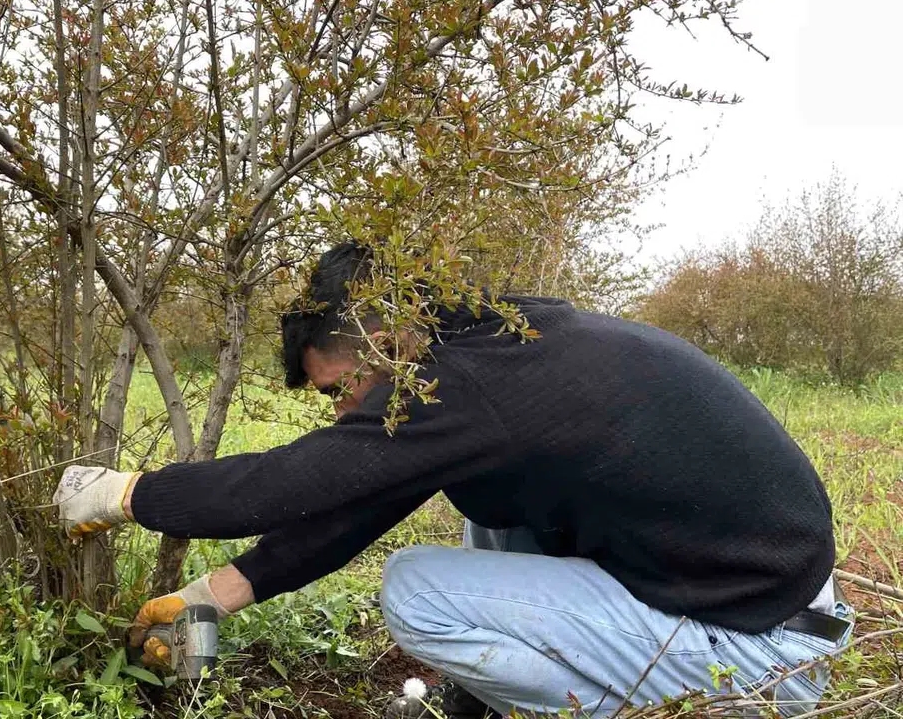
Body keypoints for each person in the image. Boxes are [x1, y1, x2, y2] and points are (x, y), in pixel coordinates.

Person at [53, 242, 852, 717]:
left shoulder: (470, 384)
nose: (340, 416)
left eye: (340, 391)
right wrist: (208, 599)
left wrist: (124, 494)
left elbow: (273, 487)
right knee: (489, 517)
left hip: (755, 653)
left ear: (386, 335)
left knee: (414, 588)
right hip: (762, 601)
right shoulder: (495, 346)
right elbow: (359, 500)